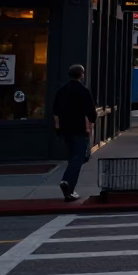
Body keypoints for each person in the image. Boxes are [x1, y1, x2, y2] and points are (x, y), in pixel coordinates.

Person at [53, 64, 96, 202]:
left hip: (65, 129)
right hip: (79, 128)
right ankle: (67, 182)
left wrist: (58, 127)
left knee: (73, 157)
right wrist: (91, 122)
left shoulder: (62, 90)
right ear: (82, 75)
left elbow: (55, 111)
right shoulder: (83, 90)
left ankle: (69, 191)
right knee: (80, 157)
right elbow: (91, 111)